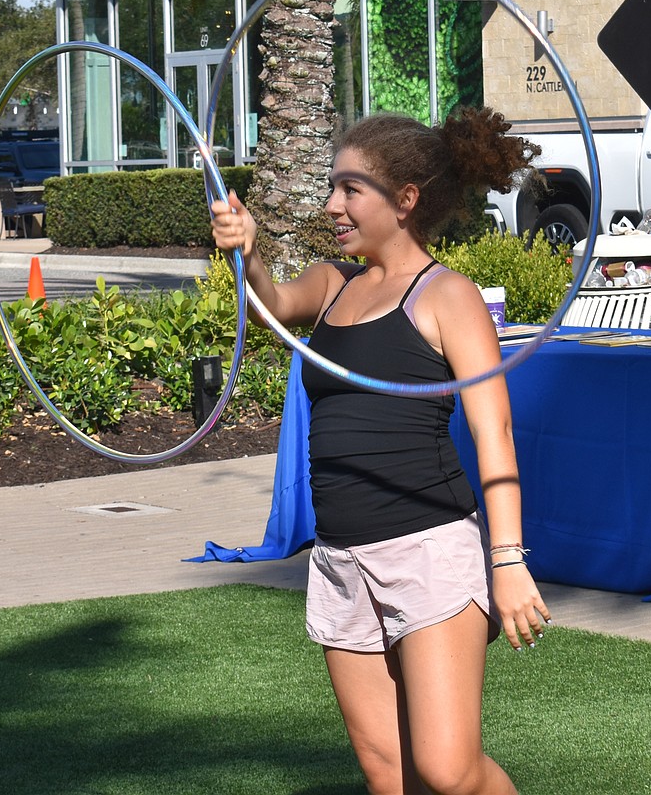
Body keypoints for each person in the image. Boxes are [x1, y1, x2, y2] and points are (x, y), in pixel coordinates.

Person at [210, 107, 552, 795]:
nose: (332, 204)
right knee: (388, 773)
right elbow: (268, 303)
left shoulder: (447, 296)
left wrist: (508, 561)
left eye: (350, 189)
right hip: (341, 559)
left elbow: (495, 433)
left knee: (448, 771)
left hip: (429, 552)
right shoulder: (333, 283)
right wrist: (246, 251)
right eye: (333, 188)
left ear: (406, 200)